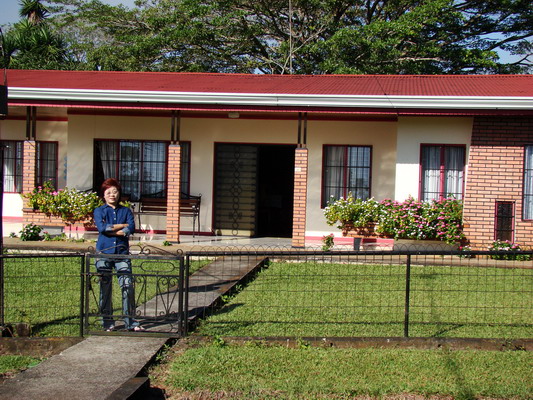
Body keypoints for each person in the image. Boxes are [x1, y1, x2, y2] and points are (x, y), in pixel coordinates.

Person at [94, 178, 143, 331]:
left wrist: (115, 229)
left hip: (122, 254)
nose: (112, 195)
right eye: (108, 192)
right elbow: (103, 229)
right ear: (103, 195)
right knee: (105, 288)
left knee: (127, 286)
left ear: (119, 193)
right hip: (104, 253)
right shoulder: (99, 211)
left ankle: (130, 322)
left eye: (115, 192)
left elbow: (131, 228)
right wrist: (122, 226)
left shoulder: (126, 211)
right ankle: (107, 323)